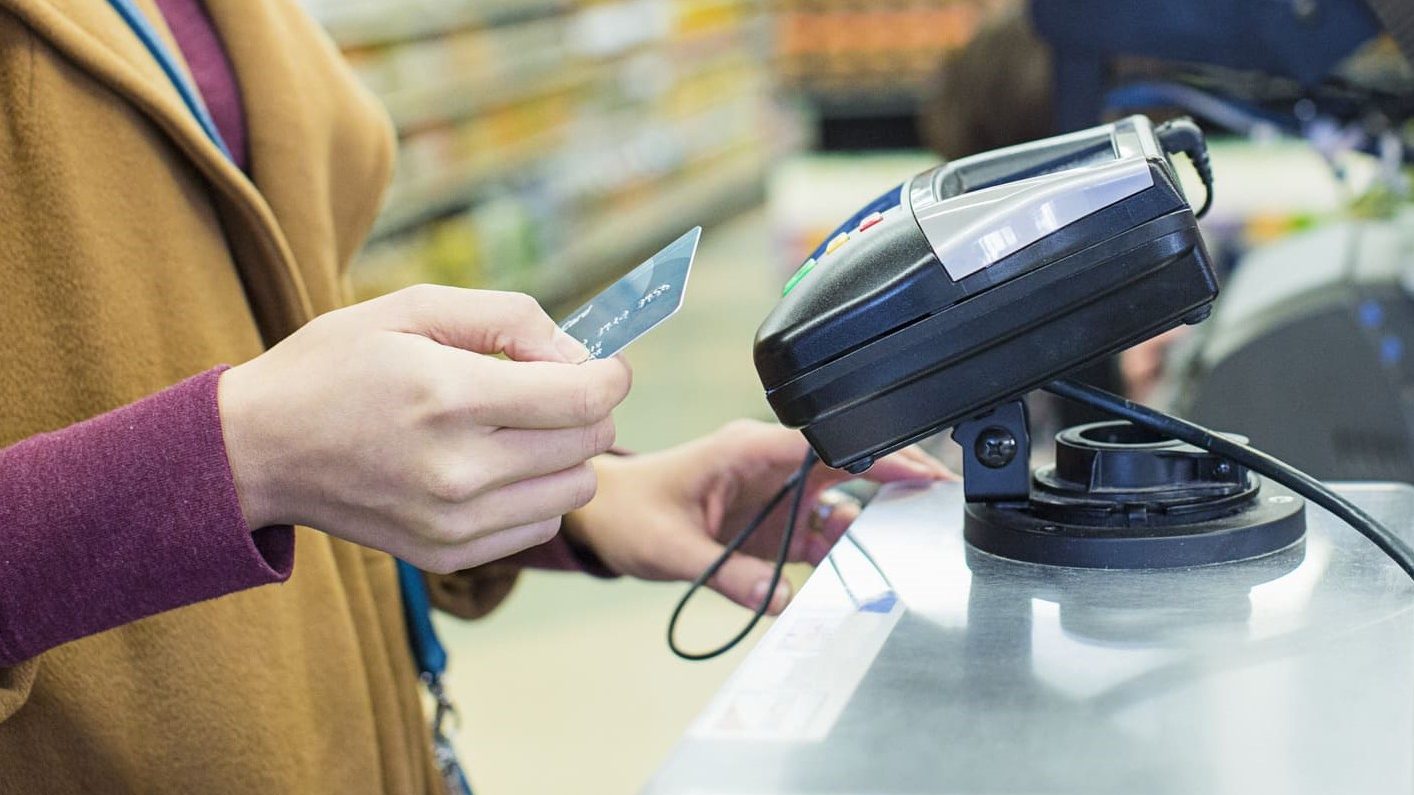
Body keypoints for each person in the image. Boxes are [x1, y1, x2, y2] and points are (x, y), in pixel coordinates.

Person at [0, 1, 949, 791]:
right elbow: (243, 431)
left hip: (352, 731)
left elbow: (231, 335)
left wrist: (583, 501)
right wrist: (238, 459)